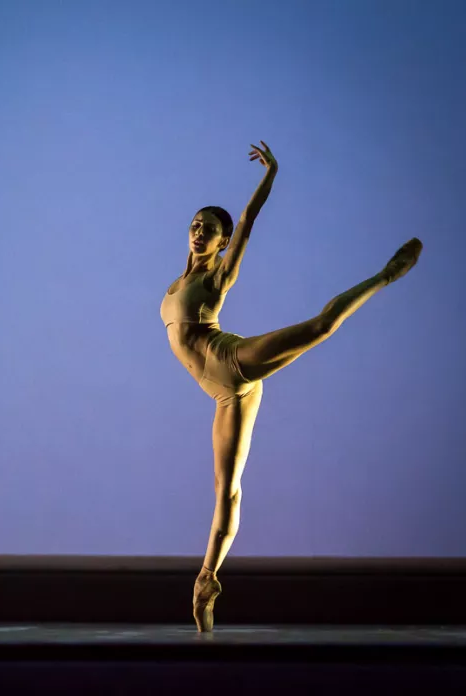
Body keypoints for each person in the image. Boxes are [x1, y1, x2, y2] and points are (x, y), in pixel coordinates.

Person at [159, 141, 423, 632]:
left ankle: (388, 274)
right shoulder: (178, 281)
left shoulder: (218, 275)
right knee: (227, 490)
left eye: (209, 229)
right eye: (195, 225)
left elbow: (248, 219)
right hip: (225, 394)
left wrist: (270, 174)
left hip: (233, 360)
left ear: (222, 242)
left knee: (320, 327)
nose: (198, 232)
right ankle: (206, 579)